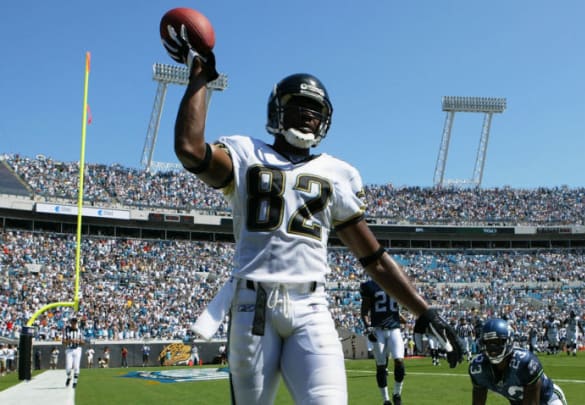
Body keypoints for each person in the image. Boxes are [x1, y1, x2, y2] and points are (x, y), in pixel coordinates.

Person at [163, 29, 465, 405]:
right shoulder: (244, 152)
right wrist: (200, 76)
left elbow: (373, 257)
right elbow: (191, 149)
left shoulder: (338, 173)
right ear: (276, 109)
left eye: (316, 110)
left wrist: (425, 311)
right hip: (252, 306)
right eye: (298, 105)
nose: (307, 115)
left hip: (311, 307)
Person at [470, 318, 568, 405]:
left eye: (497, 342)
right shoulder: (478, 368)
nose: (492, 348)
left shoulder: (524, 362)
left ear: (509, 341)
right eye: (488, 343)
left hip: (548, 398)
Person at [360, 278, 407, 405]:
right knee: (381, 365)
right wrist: (367, 325)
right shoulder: (370, 286)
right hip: (378, 329)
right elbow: (364, 310)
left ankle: (397, 393)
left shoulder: (396, 283)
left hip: (394, 328)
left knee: (399, 361)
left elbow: (403, 305)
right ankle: (385, 399)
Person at [63, 317, 84, 388]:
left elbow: (83, 342)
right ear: (71, 323)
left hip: (77, 349)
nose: (74, 324)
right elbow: (63, 342)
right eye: (73, 322)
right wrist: (70, 341)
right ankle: (69, 377)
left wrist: (79, 341)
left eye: (75, 322)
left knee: (76, 367)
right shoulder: (67, 330)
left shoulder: (79, 330)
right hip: (69, 350)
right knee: (68, 367)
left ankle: (75, 382)